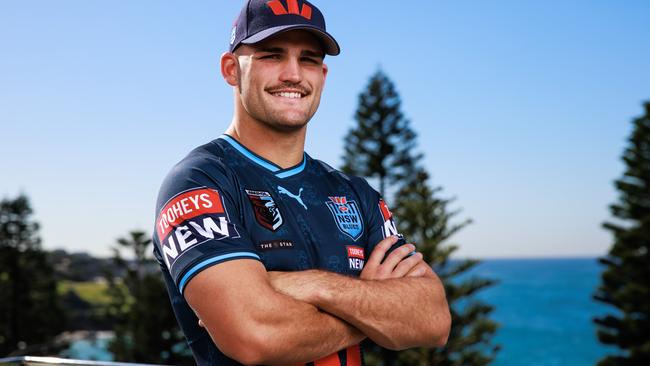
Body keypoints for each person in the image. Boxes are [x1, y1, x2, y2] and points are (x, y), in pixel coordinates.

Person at [152, 0, 451, 365]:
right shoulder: (201, 181)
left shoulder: (354, 194)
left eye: (308, 59)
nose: (293, 74)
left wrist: (309, 285)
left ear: (322, 76)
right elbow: (255, 336)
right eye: (271, 55)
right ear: (231, 70)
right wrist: (373, 305)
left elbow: (433, 320)